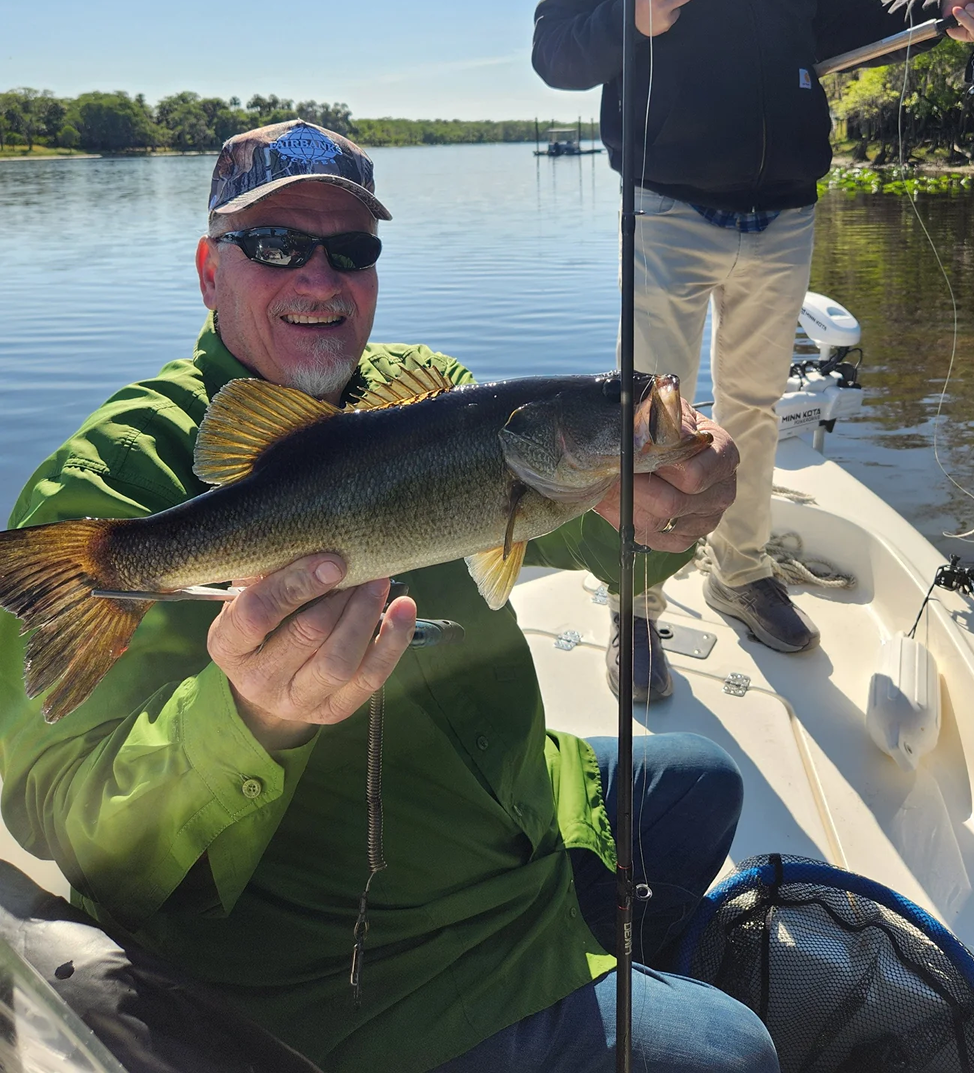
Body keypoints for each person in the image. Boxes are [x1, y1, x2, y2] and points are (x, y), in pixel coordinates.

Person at [0, 120, 778, 1073]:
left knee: (704, 778)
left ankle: (592, 966)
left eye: (351, 249)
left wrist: (673, 517)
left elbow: (615, 541)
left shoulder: (430, 393)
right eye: (277, 246)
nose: (319, 279)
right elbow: (55, 809)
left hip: (509, 819)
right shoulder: (107, 480)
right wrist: (244, 718)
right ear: (210, 271)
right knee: (732, 1054)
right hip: (353, 960)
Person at [532, 0, 974, 700]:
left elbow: (848, 16)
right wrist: (628, 22)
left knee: (753, 411)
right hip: (662, 208)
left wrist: (942, 6)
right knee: (647, 427)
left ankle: (742, 572)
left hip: (782, 215)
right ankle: (637, 608)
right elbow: (552, 55)